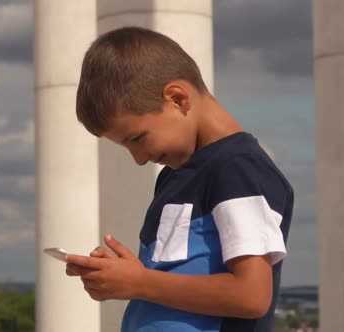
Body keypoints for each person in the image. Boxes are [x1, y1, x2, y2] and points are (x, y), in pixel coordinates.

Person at [65, 26, 294, 332]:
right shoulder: (176, 176)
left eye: (137, 138)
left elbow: (251, 296)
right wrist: (121, 276)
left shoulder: (237, 169)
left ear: (177, 98)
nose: (139, 158)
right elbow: (173, 280)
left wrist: (139, 282)